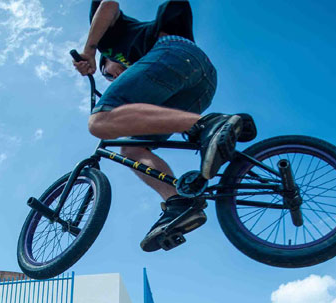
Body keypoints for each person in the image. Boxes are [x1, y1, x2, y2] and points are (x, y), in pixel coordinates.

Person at [74, 0, 256, 252]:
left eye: (109, 73)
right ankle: (178, 203)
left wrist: (90, 50)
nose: (113, 78)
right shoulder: (148, 80)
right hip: (202, 82)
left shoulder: (110, 40)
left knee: (100, 121)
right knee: (133, 150)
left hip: (174, 53)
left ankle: (210, 124)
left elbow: (108, 4)